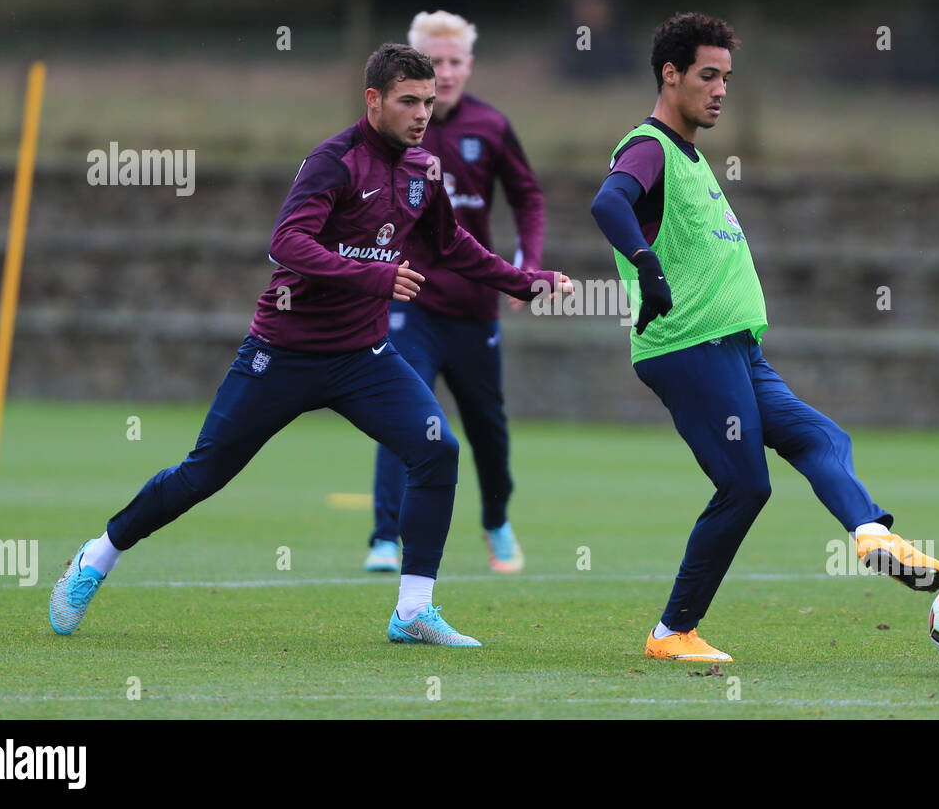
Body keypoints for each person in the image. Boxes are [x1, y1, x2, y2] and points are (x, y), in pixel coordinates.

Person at [49, 43, 571, 647]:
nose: (423, 114)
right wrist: (373, 276)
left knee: (436, 449)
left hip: (363, 358)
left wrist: (525, 281)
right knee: (203, 474)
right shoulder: (335, 161)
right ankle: (97, 556)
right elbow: (287, 243)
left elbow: (451, 244)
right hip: (283, 353)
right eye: (408, 101)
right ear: (373, 99)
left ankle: (413, 610)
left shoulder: (424, 169)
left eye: (429, 102)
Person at [589, 12, 939, 662]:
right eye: (708, 75)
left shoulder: (691, 157)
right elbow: (608, 203)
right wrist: (645, 265)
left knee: (821, 437)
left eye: (727, 78)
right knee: (745, 486)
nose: (720, 90)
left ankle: (871, 533)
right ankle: (672, 633)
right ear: (670, 75)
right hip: (687, 346)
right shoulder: (649, 147)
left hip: (735, 349)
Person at [365, 11, 546, 575]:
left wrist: (527, 265)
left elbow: (528, 197)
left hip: (473, 307)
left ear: (468, 65)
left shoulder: (491, 126)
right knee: (404, 411)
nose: (444, 73)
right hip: (409, 302)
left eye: (453, 62)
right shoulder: (390, 134)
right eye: (434, 62)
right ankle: (384, 537)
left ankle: (496, 519)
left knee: (486, 426)